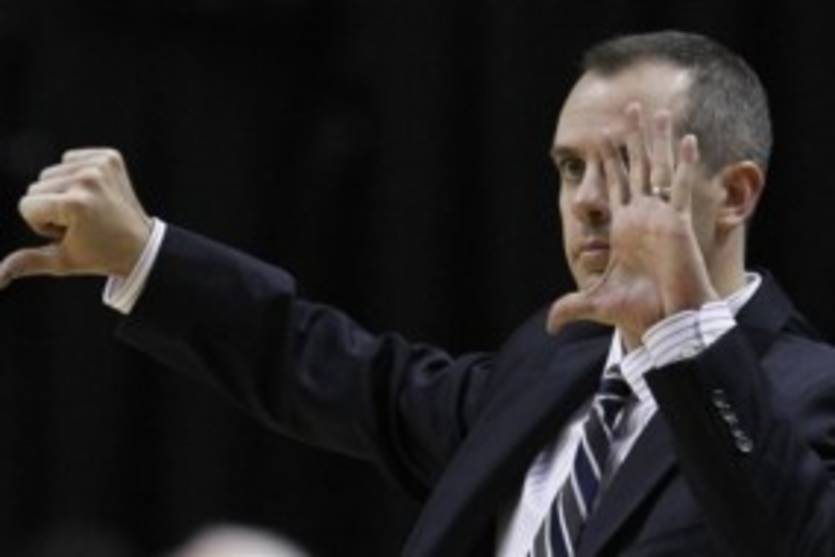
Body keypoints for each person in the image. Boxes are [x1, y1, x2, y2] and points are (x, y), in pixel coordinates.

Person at [1, 30, 834, 556]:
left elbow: (788, 536)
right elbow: (338, 368)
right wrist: (146, 253)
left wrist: (682, 332)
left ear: (732, 194)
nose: (584, 199)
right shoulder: (548, 366)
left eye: (623, 165)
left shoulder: (809, 393)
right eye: (568, 167)